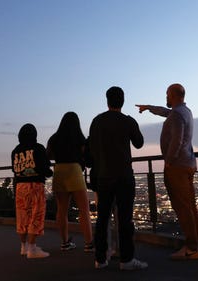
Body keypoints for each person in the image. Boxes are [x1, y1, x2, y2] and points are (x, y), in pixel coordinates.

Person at [137, 83, 198, 260]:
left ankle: (191, 248)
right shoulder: (184, 111)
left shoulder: (177, 114)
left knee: (182, 208)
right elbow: (164, 111)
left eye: (167, 95)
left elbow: (177, 139)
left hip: (178, 166)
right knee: (190, 207)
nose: (165, 97)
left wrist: (169, 160)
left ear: (173, 96)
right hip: (188, 163)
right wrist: (148, 108)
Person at [88, 86, 147, 270]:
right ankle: (127, 260)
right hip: (124, 176)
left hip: (103, 176)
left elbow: (91, 148)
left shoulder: (96, 121)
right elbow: (139, 143)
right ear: (123, 101)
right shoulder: (127, 121)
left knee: (102, 218)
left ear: (107, 100)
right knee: (125, 219)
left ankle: (100, 259)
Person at [46, 112, 94, 252]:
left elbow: (48, 155)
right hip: (75, 170)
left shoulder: (54, 138)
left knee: (61, 210)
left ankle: (65, 242)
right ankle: (88, 243)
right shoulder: (79, 138)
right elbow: (86, 155)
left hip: (59, 170)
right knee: (84, 210)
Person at [11, 123, 53, 259]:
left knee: (23, 216)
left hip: (20, 186)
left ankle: (24, 247)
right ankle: (33, 248)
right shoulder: (38, 148)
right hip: (35, 186)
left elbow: (15, 170)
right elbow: (45, 168)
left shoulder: (15, 151)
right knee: (36, 215)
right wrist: (49, 172)